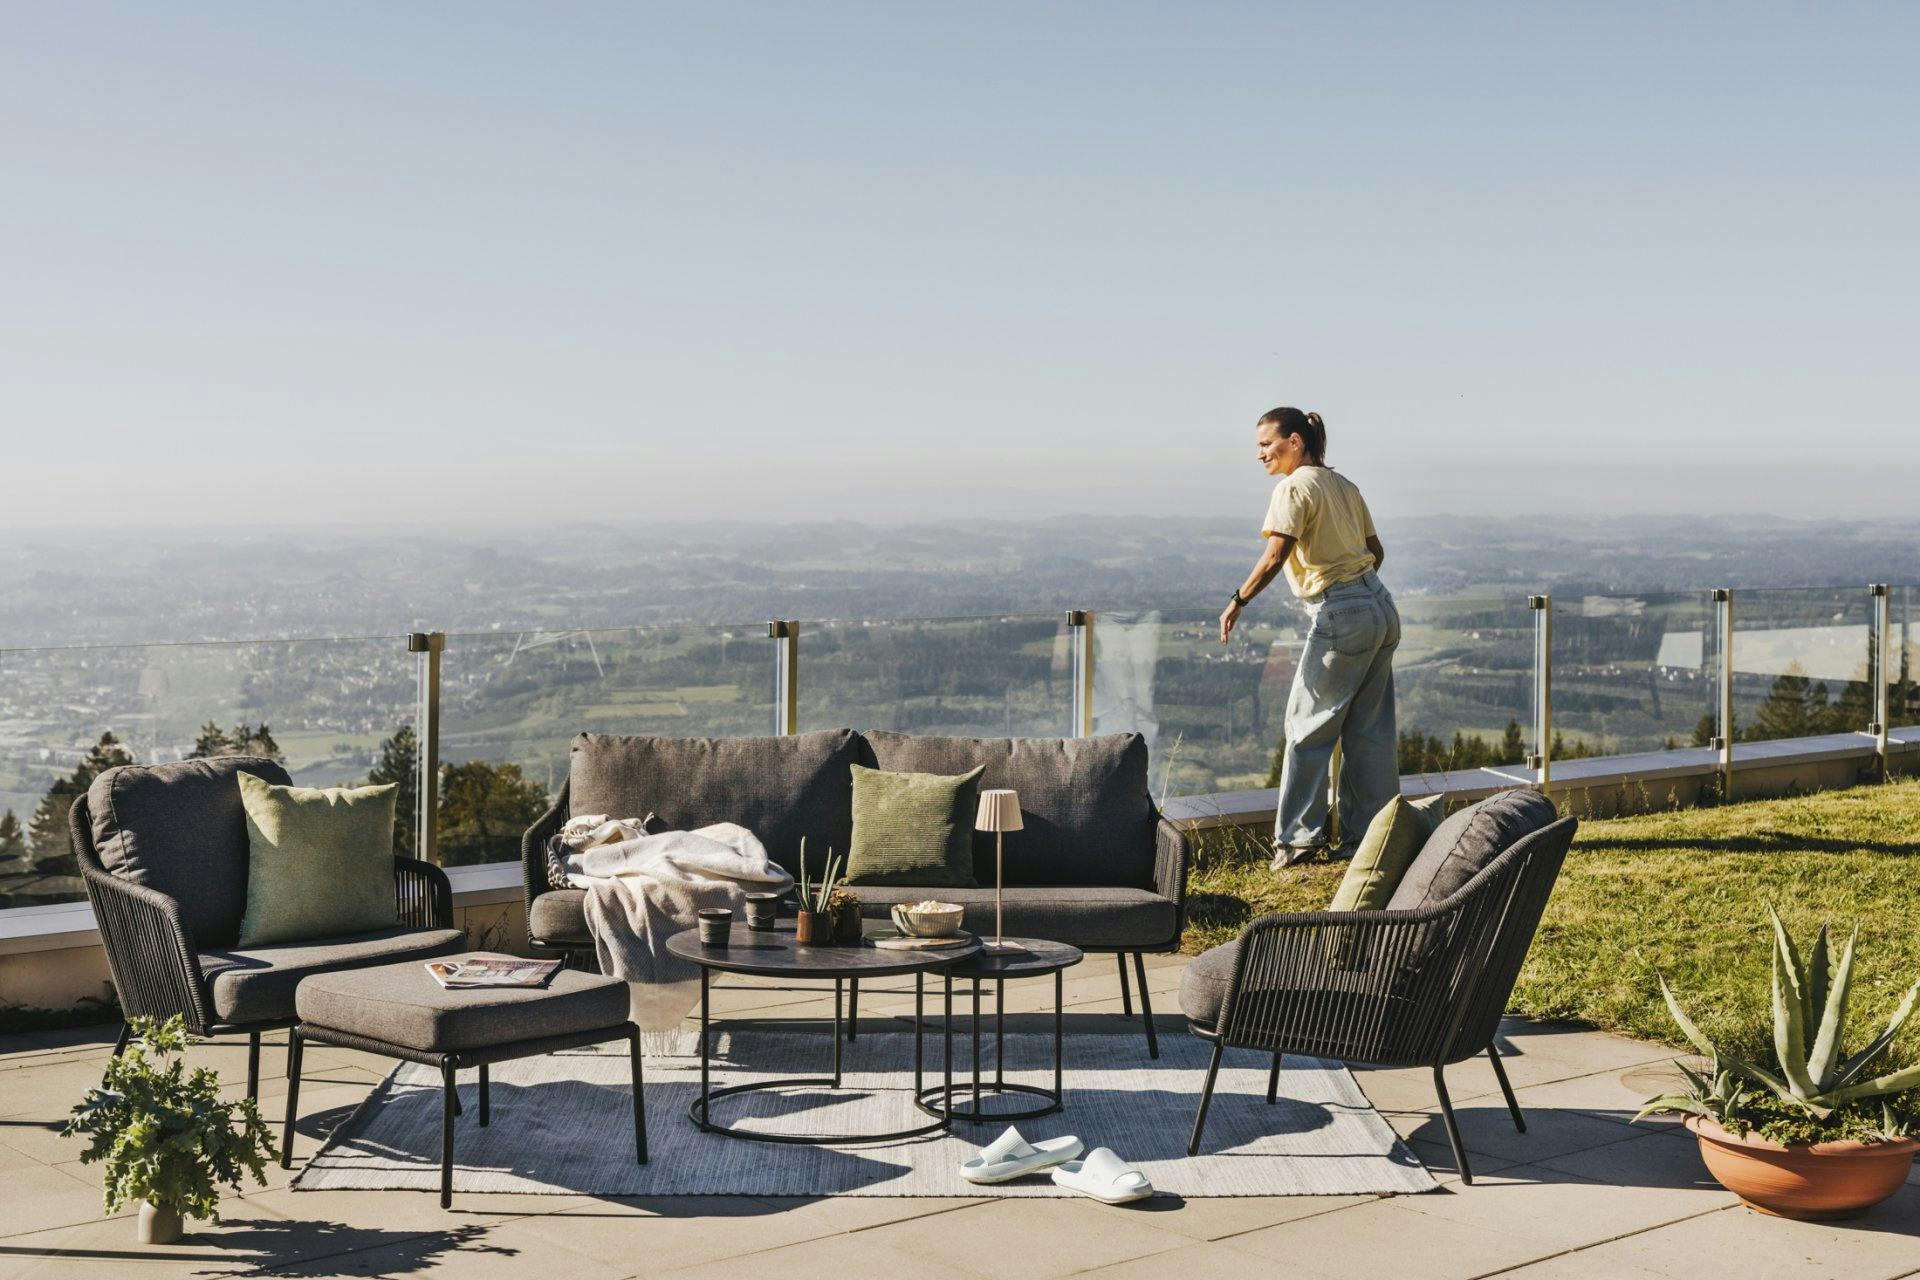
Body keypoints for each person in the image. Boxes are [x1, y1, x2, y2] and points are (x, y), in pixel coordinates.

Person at [1220, 407, 1399, 868]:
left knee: (1307, 729)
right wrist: (1357, 588)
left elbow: (1275, 555)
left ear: (1295, 442)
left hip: (1343, 613)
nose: (1260, 454)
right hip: (1380, 607)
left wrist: (1238, 600)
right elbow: (1375, 552)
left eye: (1266, 444)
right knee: (1369, 732)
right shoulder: (1344, 485)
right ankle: (1371, 841)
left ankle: (1298, 843)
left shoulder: (1294, 487)